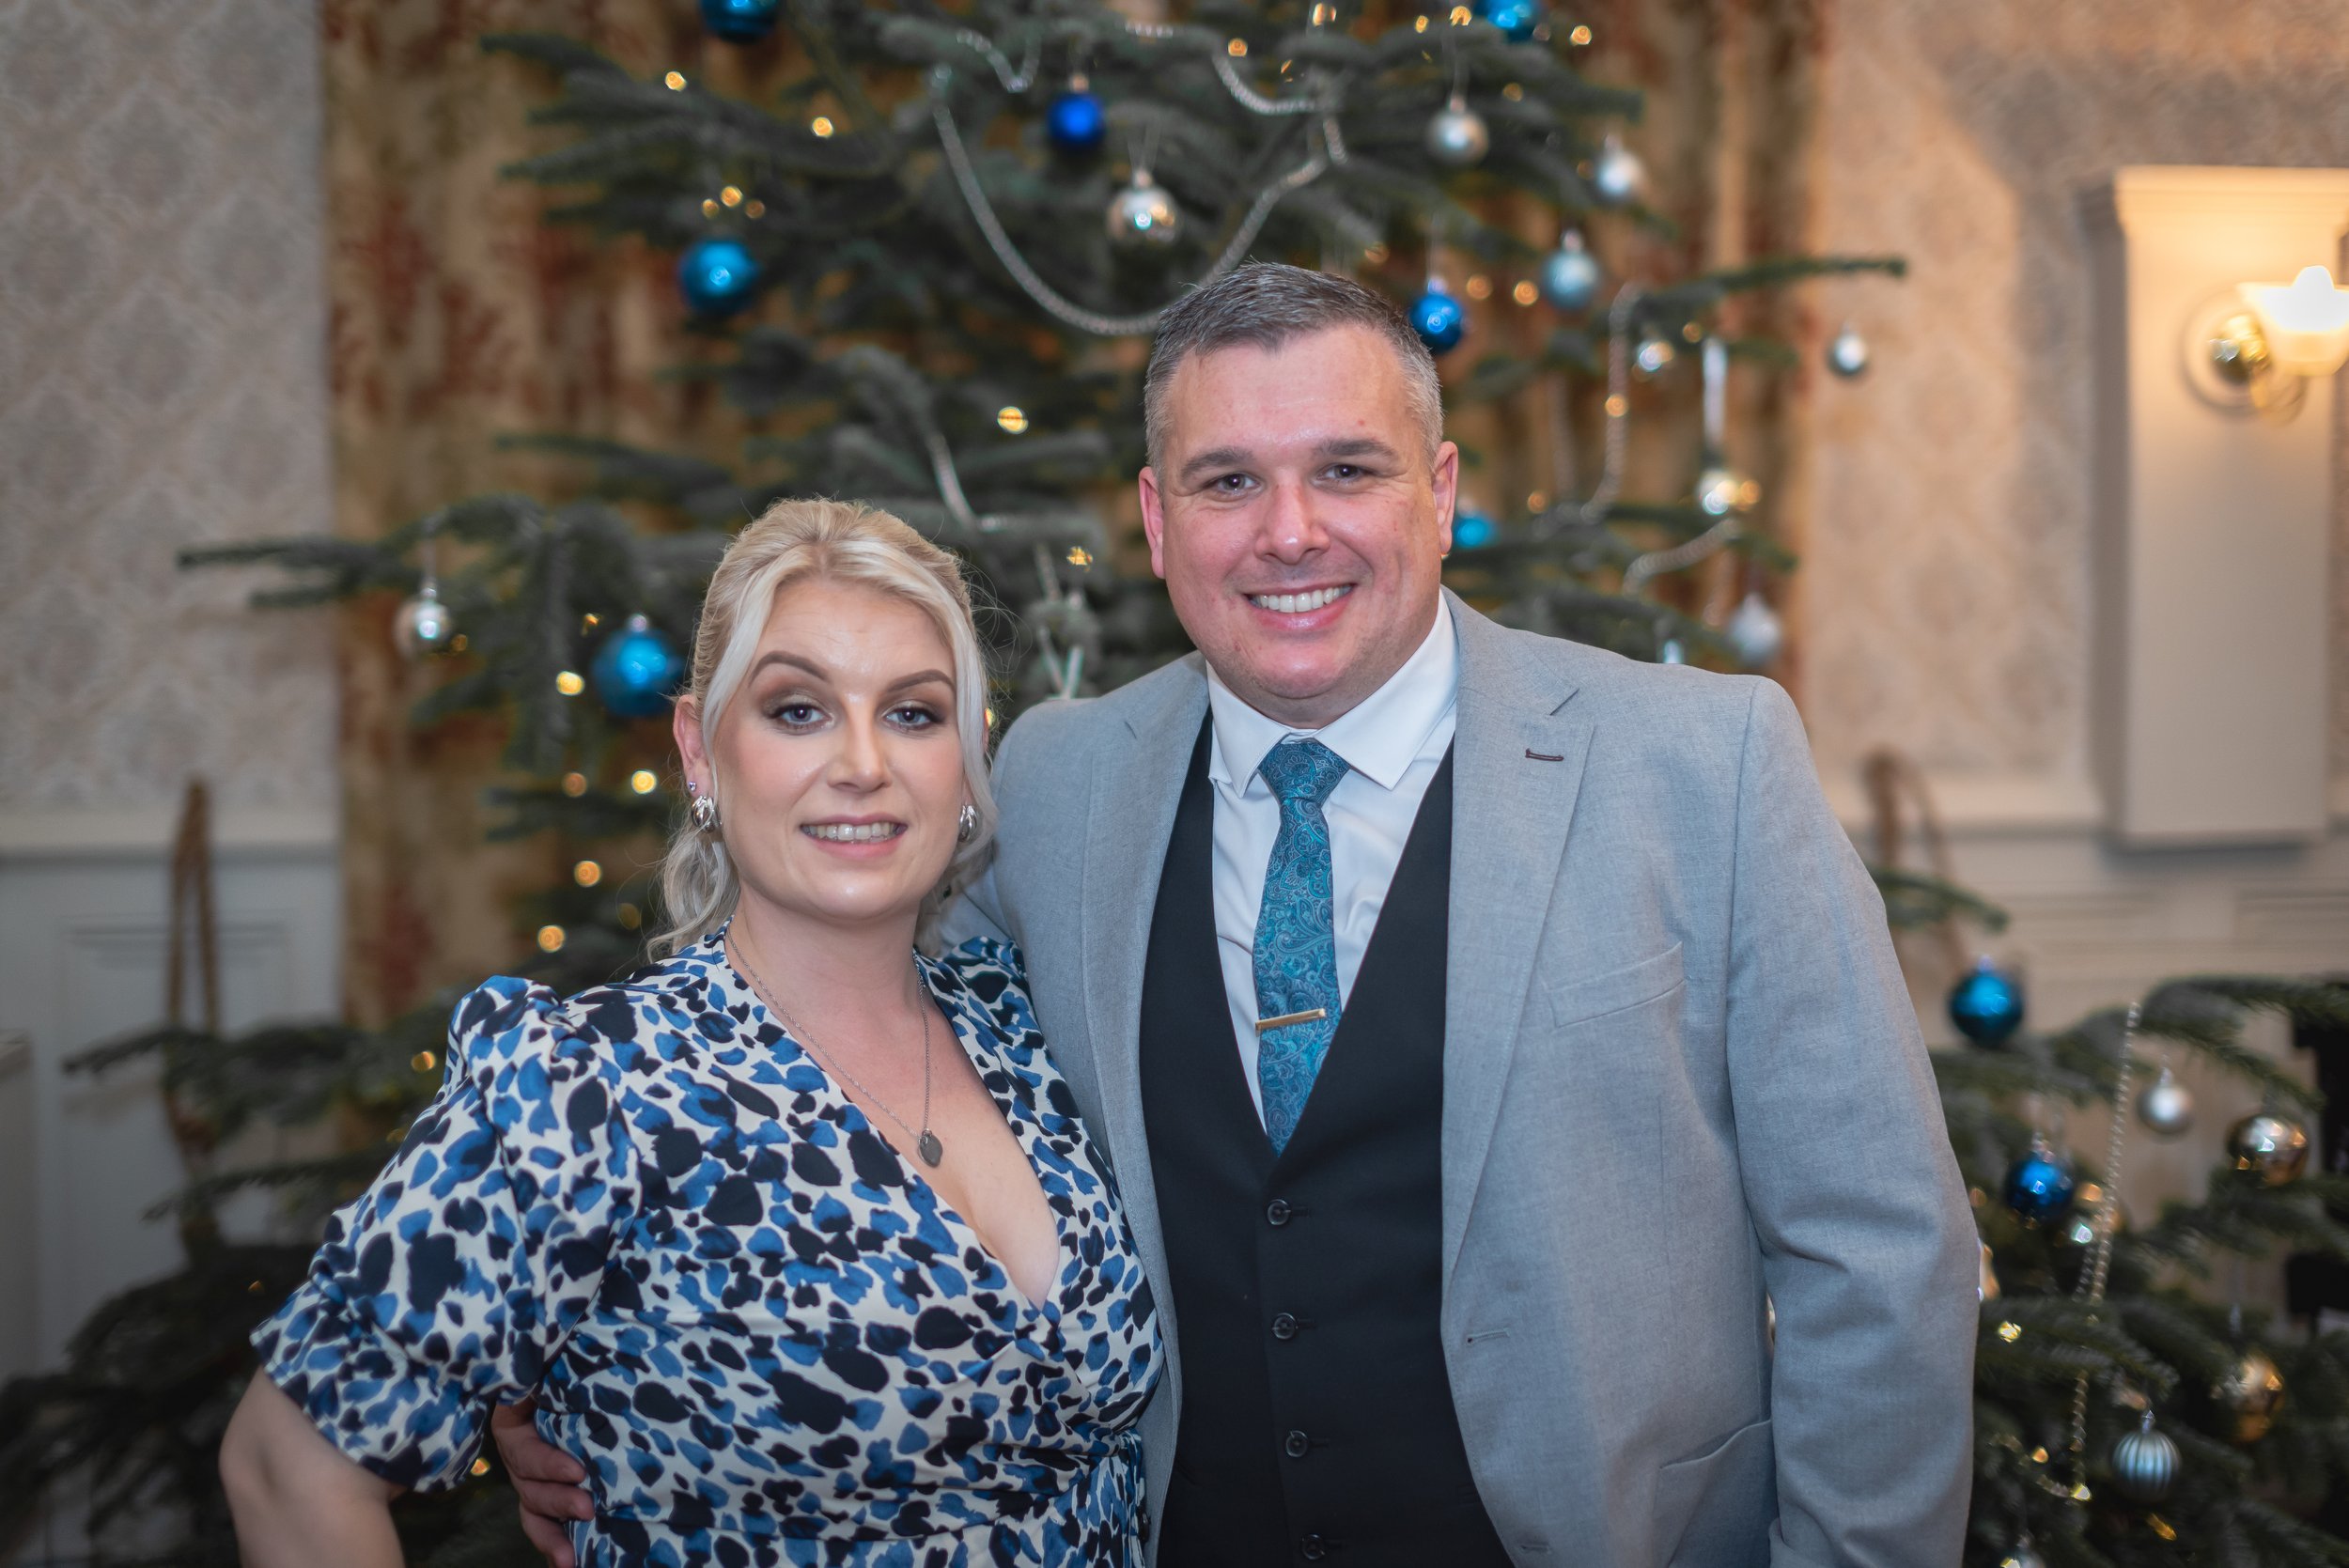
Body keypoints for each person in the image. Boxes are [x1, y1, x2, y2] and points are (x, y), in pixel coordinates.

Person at [506, 264, 1977, 1567]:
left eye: (1348, 470)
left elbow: (1880, 1251)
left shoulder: (1702, 765)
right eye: (1226, 483)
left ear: (1443, 491)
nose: (1290, 533)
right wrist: (574, 1369)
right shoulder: (1060, 779)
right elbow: (850, 1092)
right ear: (1155, 521)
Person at [217, 501, 1161, 1567]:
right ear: (700, 754)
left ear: (967, 759)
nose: (862, 762)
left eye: (912, 713)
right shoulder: (586, 1091)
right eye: (797, 710)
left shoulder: (1022, 1024)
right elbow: (285, 1465)